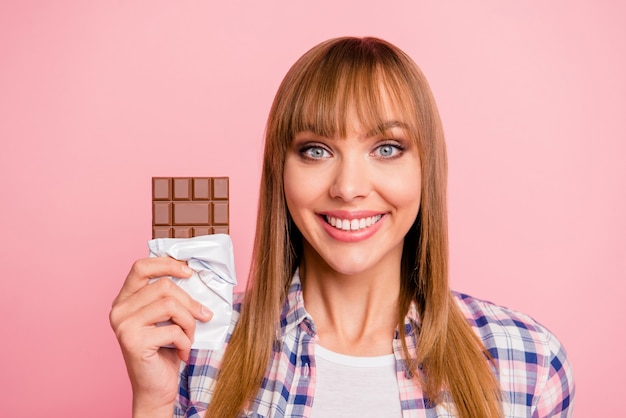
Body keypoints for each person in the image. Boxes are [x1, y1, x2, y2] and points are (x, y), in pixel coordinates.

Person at [110, 36, 574, 418]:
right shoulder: (196, 348)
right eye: (316, 149)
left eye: (387, 148)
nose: (349, 187)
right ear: (281, 172)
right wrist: (154, 403)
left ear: (426, 169)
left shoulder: (524, 361)